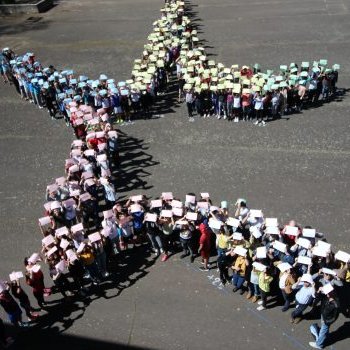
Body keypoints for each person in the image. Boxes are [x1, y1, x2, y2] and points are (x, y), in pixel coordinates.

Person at [309, 284, 340, 349]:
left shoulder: (335, 304)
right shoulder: (327, 296)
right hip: (324, 317)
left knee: (323, 331)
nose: (326, 294)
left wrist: (327, 322)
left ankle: (319, 345)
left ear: (331, 292)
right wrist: (318, 291)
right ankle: (326, 336)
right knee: (324, 330)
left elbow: (335, 316)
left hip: (327, 320)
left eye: (327, 292)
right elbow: (317, 297)